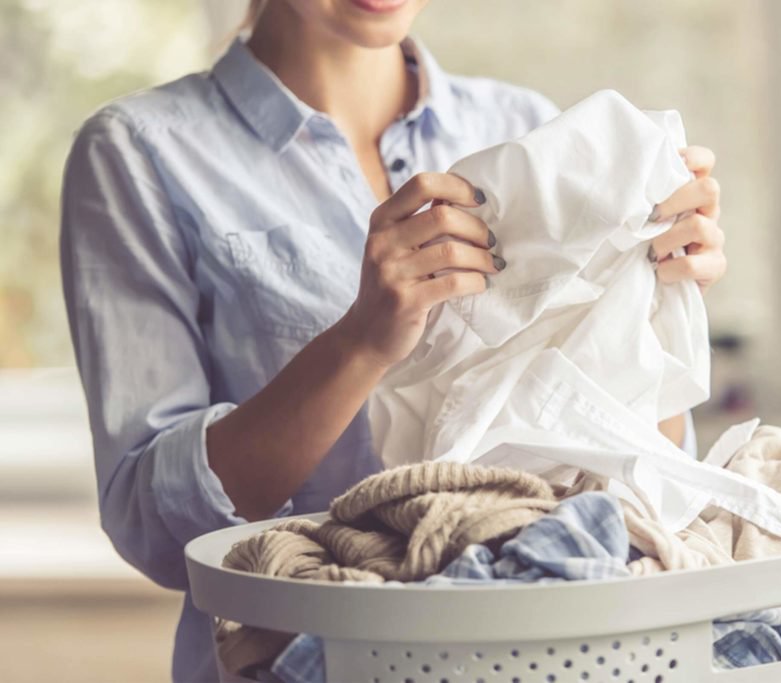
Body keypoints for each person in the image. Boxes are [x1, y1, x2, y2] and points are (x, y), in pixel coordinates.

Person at [59, 0, 727, 680]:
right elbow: (156, 528)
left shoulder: (530, 128)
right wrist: (360, 342)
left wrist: (651, 307)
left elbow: (641, 488)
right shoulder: (137, 153)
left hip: (537, 660)